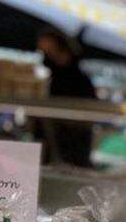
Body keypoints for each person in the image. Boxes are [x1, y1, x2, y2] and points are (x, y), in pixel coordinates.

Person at [35, 27, 97, 167]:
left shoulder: (77, 80)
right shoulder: (56, 77)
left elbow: (85, 120)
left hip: (71, 151)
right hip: (58, 150)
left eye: (48, 51)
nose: (45, 56)